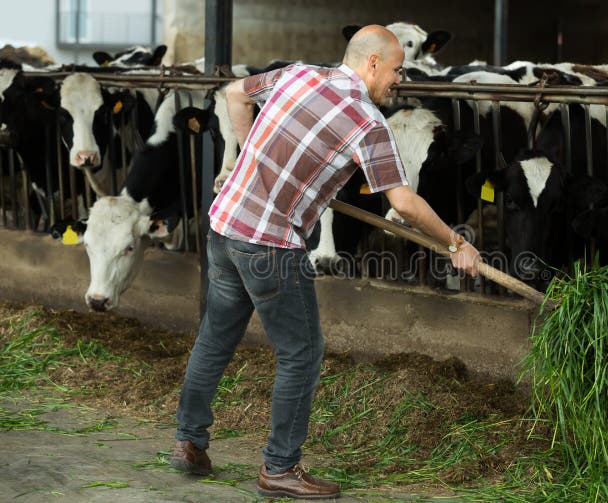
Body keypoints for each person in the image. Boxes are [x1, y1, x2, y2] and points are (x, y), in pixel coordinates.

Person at [169, 24, 481, 499]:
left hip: (224, 225)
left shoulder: (296, 74)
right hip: (270, 245)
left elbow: (234, 93)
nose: (399, 80)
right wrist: (457, 243)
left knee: (215, 335)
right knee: (303, 353)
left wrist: (248, 153)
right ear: (372, 63)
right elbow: (408, 205)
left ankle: (189, 441)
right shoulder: (367, 123)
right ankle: (280, 467)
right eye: (396, 70)